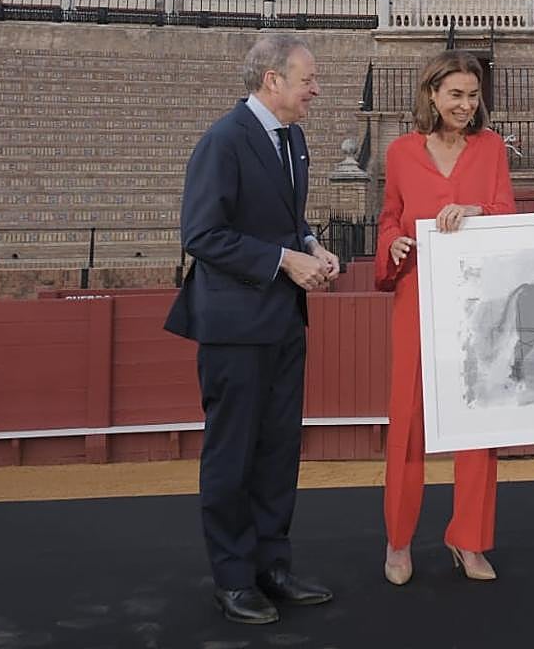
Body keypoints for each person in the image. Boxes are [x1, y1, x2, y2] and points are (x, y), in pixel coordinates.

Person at [165, 34, 339, 624]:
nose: (315, 90)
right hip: (235, 326)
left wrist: (313, 244)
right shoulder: (223, 140)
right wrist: (286, 261)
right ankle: (234, 578)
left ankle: (273, 566)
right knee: (233, 454)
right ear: (272, 80)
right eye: (308, 79)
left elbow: (288, 220)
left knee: (278, 451)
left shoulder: (292, 139)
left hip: (283, 321)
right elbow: (203, 235)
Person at [375, 50, 517, 586]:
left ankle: (470, 540)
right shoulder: (400, 152)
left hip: (479, 303)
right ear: (431, 94)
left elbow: (507, 213)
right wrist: (391, 244)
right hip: (415, 297)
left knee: (478, 420)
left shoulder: (491, 148)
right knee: (406, 420)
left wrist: (479, 212)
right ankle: (398, 541)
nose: (465, 104)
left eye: (473, 95)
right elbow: (389, 216)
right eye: (455, 94)